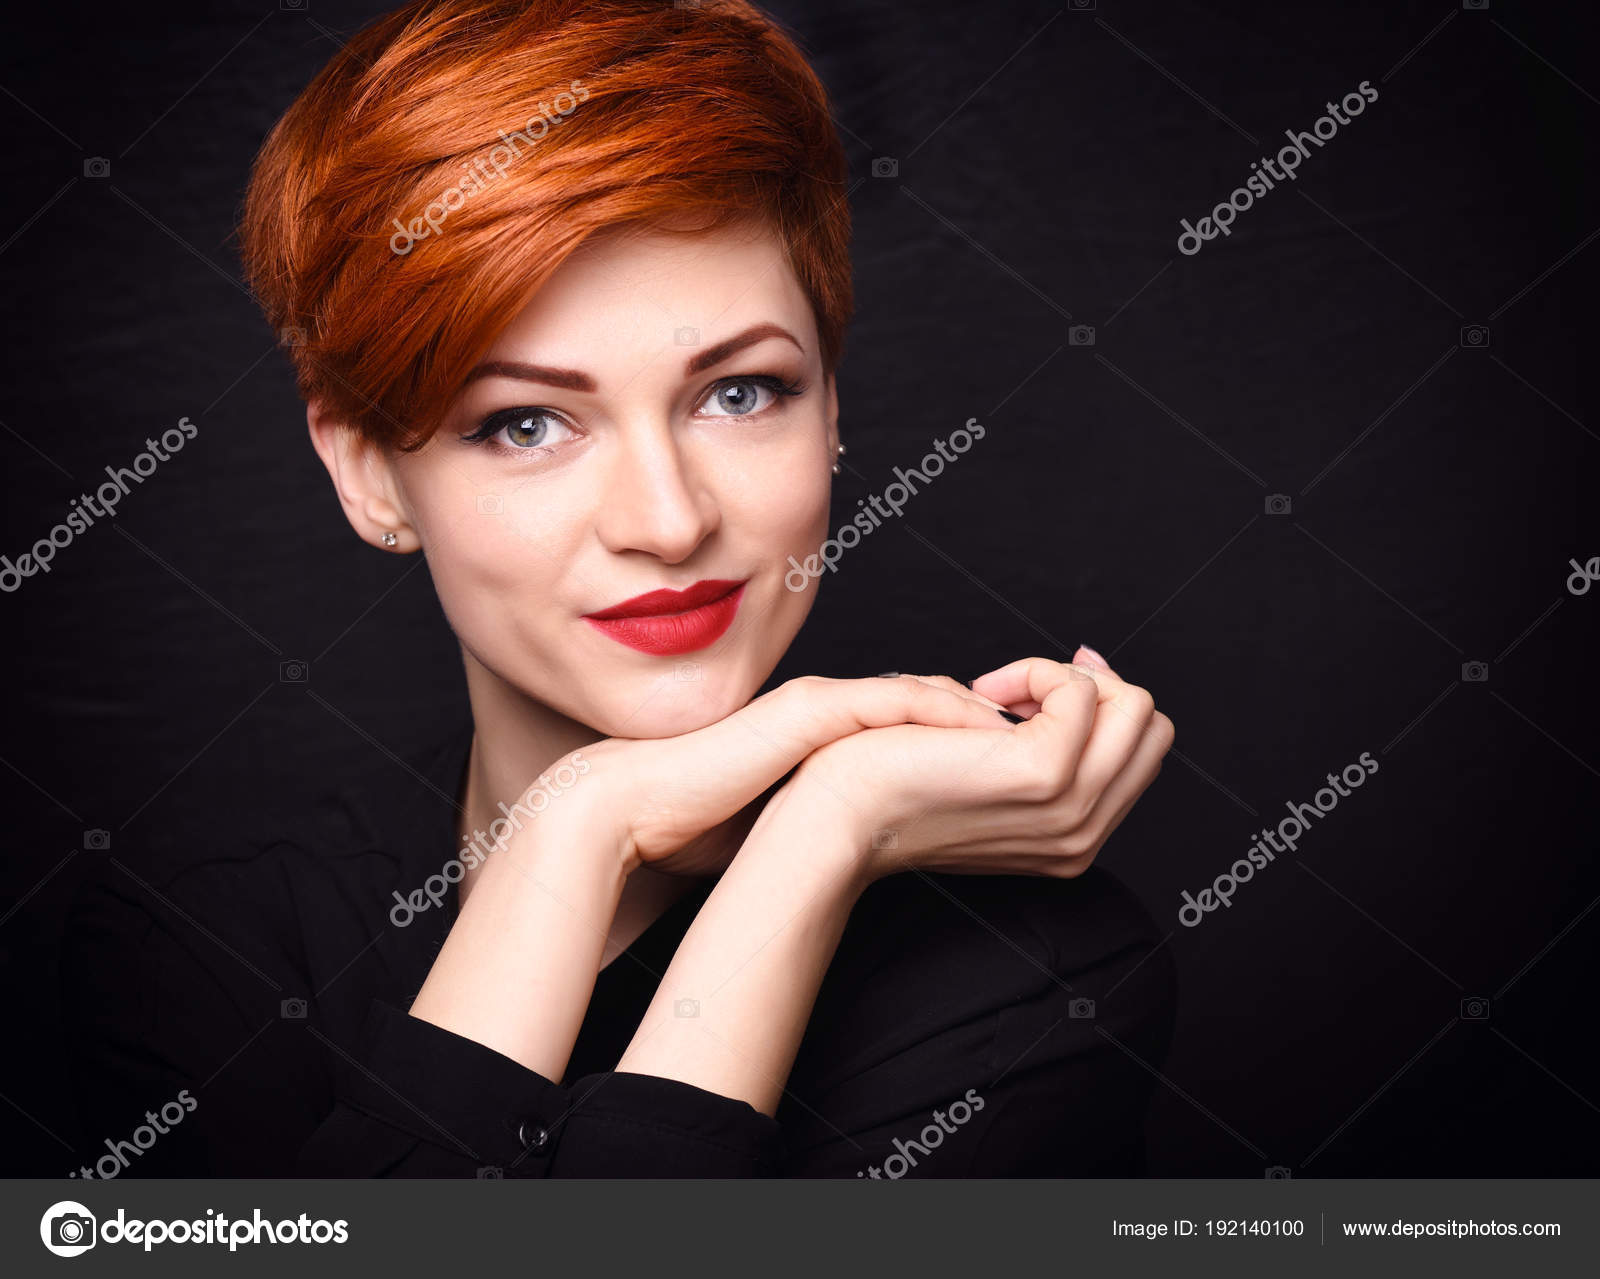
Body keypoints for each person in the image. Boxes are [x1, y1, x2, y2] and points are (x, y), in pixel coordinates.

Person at [61, 0, 1176, 1178]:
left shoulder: (1033, 979)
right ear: (368, 471)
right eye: (526, 422)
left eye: (739, 393)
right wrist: (576, 829)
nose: (668, 518)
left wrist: (822, 834)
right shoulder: (206, 942)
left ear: (833, 407)